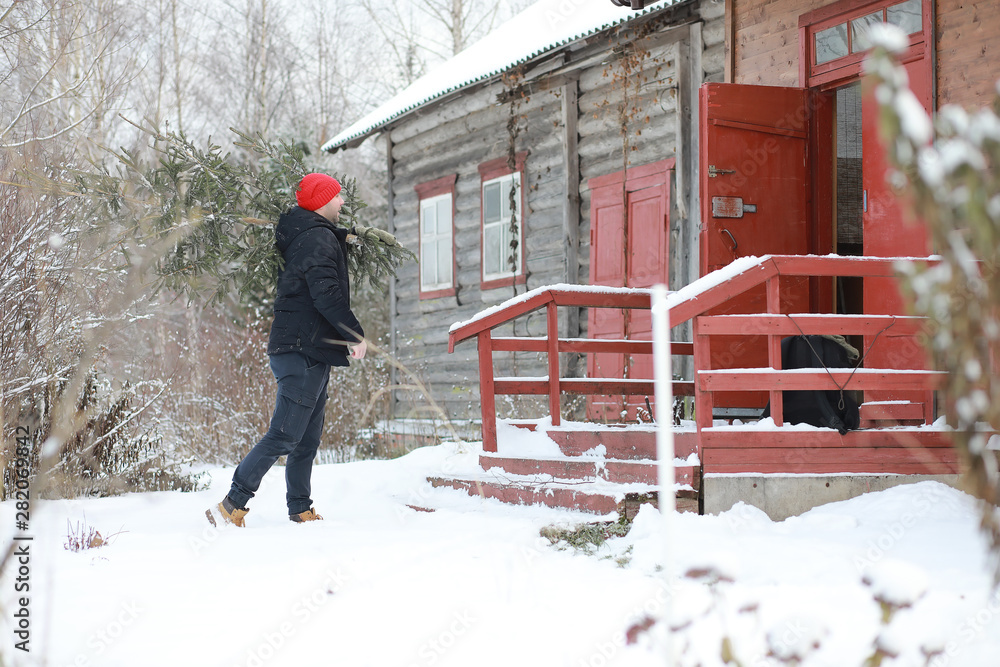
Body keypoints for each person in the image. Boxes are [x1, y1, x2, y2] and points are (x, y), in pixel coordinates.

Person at [206, 173, 366, 527]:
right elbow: (327, 294)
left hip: (312, 349)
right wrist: (355, 334)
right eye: (337, 197)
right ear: (323, 201)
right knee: (284, 434)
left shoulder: (312, 236)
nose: (342, 202)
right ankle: (231, 504)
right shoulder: (317, 238)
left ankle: (300, 507)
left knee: (307, 438)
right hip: (302, 349)